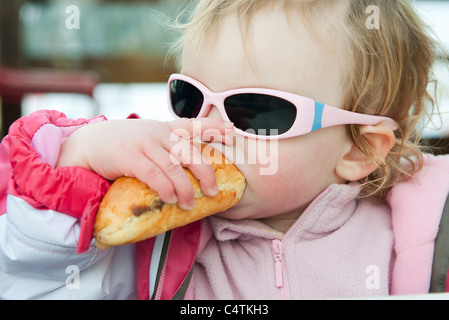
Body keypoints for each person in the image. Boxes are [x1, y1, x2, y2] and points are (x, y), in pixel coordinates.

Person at [1, 0, 449, 300]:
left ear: (358, 150)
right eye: (191, 100)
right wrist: (77, 159)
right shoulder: (150, 236)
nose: (208, 130)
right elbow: (27, 279)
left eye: (254, 111)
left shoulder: (427, 241)